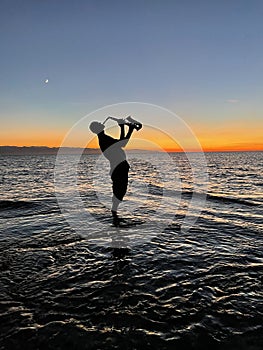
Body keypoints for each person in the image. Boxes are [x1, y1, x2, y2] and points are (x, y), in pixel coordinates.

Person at [89, 118, 137, 225]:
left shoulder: (104, 138)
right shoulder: (104, 139)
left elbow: (122, 142)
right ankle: (115, 217)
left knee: (119, 192)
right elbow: (123, 143)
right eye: (98, 123)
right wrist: (124, 127)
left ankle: (115, 217)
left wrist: (125, 128)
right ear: (97, 129)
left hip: (119, 168)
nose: (101, 122)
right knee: (119, 192)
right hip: (118, 169)